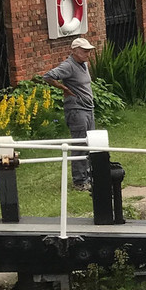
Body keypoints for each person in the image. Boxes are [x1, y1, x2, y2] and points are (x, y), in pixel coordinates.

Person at [42, 36, 97, 192]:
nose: (88, 54)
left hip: (88, 109)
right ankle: (79, 181)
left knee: (89, 143)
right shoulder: (69, 65)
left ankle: (88, 176)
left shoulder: (83, 64)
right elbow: (48, 76)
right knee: (80, 144)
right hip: (77, 110)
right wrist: (64, 89)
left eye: (89, 51)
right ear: (75, 51)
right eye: (85, 51)